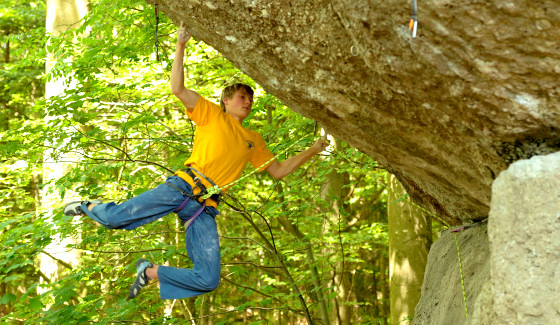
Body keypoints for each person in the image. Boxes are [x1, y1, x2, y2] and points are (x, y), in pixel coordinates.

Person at [62, 22, 328, 300]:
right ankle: (86, 205)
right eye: (242, 96)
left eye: (251, 98)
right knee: (116, 219)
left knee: (208, 279)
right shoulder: (212, 114)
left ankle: (150, 272)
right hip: (183, 187)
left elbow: (279, 170)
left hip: (204, 208)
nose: (248, 101)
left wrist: (314, 148)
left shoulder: (254, 139)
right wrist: (180, 45)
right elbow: (178, 89)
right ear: (226, 100)